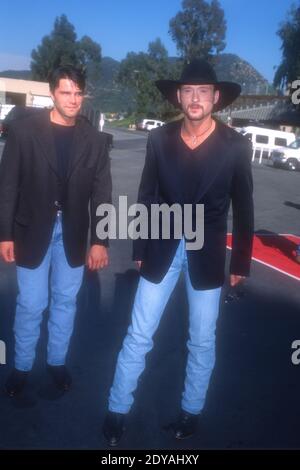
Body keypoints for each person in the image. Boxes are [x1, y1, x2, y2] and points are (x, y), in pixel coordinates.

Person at [103, 59, 254, 446]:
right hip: (160, 249)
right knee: (139, 334)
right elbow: (147, 195)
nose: (195, 98)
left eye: (203, 91)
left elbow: (245, 205)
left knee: (202, 340)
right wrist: (139, 246)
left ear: (216, 98)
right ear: (179, 96)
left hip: (207, 255)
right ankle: (117, 410)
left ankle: (191, 412)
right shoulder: (160, 139)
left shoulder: (236, 145)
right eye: (188, 91)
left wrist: (240, 262)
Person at [0, 65, 112, 396]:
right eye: (66, 92)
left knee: (65, 301)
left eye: (78, 93)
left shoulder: (95, 140)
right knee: (32, 303)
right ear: (52, 93)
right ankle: (21, 367)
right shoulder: (24, 132)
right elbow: (7, 187)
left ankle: (56, 362)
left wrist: (100, 241)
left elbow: (102, 192)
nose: (73, 99)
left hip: (74, 234)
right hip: (31, 230)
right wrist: (4, 234)